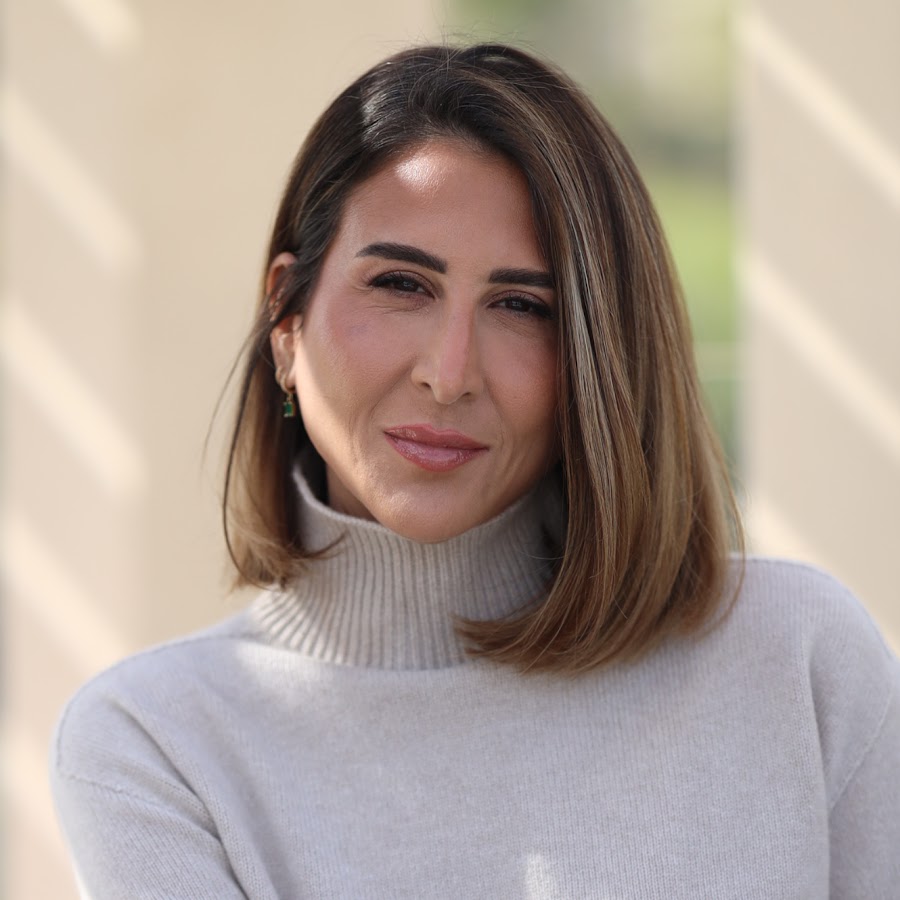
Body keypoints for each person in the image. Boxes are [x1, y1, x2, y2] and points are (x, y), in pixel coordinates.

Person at [50, 43, 899, 899]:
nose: (450, 374)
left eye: (522, 305)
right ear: (286, 319)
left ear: (599, 355)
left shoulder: (795, 662)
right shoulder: (153, 748)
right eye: (400, 285)